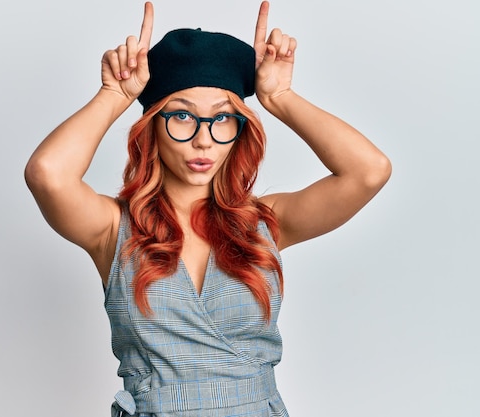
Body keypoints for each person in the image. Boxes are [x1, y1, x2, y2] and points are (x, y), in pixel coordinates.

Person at [25, 1, 391, 415]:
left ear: (240, 130)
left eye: (222, 119)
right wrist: (115, 95)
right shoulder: (112, 228)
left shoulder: (266, 223)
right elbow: (47, 175)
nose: (204, 140)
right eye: (181, 116)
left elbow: (369, 171)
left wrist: (281, 97)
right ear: (152, 127)